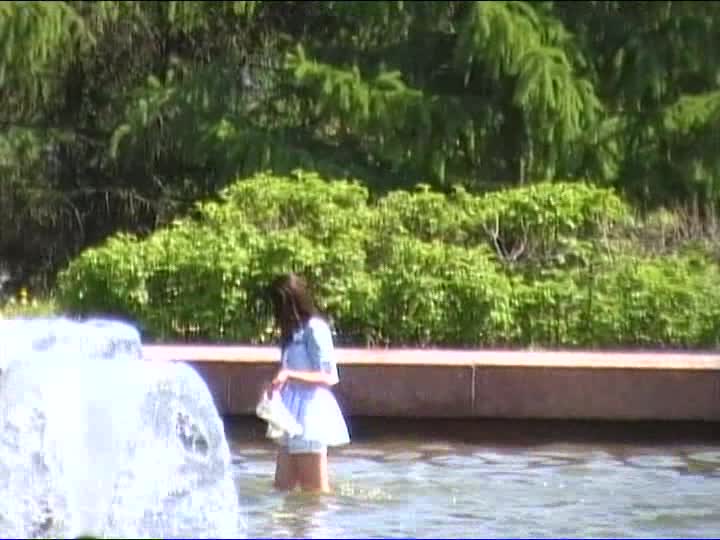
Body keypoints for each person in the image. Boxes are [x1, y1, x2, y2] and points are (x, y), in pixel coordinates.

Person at [264, 272, 350, 493]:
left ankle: (322, 518)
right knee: (282, 488)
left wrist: (289, 375)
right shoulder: (293, 332)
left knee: (315, 492)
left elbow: (329, 376)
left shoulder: (315, 329)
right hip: (290, 415)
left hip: (310, 414)